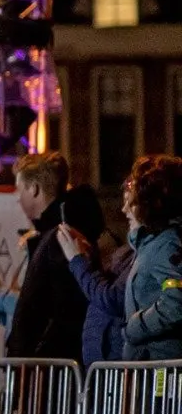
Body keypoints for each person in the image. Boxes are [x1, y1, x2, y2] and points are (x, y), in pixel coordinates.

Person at [61, 154, 182, 362]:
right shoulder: (150, 245)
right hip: (146, 365)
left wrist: (133, 327)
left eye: (131, 202)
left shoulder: (165, 245)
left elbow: (176, 301)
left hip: (158, 368)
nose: (124, 209)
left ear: (150, 203)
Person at [3, 152, 97, 360]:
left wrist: (31, 354)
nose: (17, 198)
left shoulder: (59, 238)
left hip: (46, 367)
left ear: (34, 189)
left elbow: (55, 310)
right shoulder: (55, 234)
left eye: (19, 190)